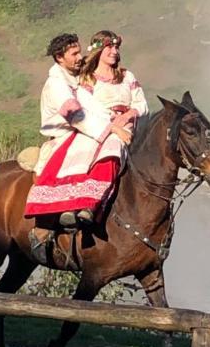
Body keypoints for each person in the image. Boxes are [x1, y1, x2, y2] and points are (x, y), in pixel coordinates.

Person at [25, 32, 134, 263]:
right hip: (66, 135)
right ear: (59, 57)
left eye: (79, 52)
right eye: (74, 54)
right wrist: (112, 129)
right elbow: (77, 116)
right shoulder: (56, 84)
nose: (79, 57)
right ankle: (48, 224)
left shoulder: (76, 78)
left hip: (89, 131)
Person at [79, 30, 149, 124]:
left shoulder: (127, 76)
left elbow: (141, 103)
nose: (115, 51)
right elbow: (88, 110)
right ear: (98, 50)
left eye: (116, 47)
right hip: (105, 126)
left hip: (131, 124)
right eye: (110, 47)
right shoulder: (88, 79)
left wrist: (127, 116)